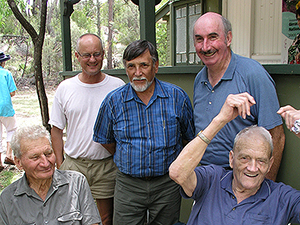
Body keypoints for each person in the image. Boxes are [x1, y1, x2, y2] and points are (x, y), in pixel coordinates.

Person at [93, 40, 195, 225]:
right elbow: (105, 140)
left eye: (144, 65)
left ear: (155, 66)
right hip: (128, 185)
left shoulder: (176, 97)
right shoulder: (113, 101)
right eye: (131, 66)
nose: (137, 73)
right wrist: (130, 157)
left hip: (167, 184)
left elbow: (189, 138)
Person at [169, 93, 300, 225]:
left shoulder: (282, 197)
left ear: (270, 164)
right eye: (245, 158)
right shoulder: (212, 179)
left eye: (261, 161)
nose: (252, 168)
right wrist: (220, 120)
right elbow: (177, 172)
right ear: (231, 158)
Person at [193, 12, 285, 180]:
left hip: (242, 179)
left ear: (228, 38)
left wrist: (264, 189)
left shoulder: (253, 74)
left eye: (212, 37)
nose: (205, 47)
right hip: (205, 177)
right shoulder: (199, 79)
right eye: (199, 39)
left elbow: (276, 136)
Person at [49, 33, 124, 225]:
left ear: (103, 54)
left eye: (97, 54)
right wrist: (60, 165)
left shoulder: (117, 87)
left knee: (104, 218)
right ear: (77, 56)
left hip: (106, 166)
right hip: (74, 165)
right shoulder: (66, 88)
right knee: (71, 216)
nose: (92, 60)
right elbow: (56, 130)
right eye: (86, 55)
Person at [0, 125, 102, 224]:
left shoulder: (76, 183)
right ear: (18, 163)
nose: (45, 163)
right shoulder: (6, 199)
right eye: (35, 157)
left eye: (48, 153)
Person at [0, 51, 17, 171]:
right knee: (11, 129)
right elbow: (12, 92)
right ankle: (9, 155)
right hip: (5, 107)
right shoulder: (6, 73)